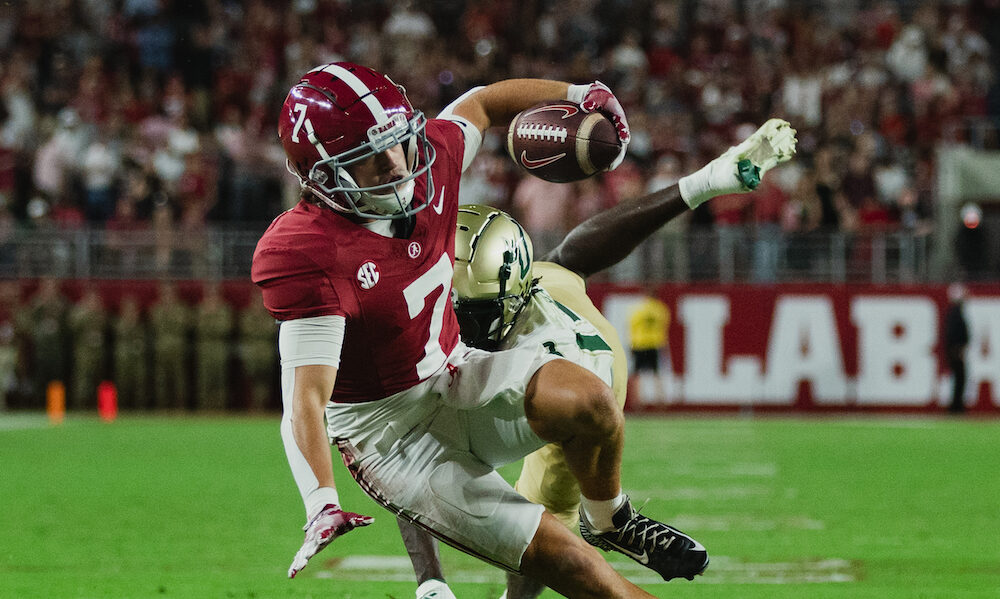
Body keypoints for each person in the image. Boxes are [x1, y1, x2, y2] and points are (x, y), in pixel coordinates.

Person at [252, 63, 791, 598]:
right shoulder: (305, 252)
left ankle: (609, 519)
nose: (399, 164)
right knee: (582, 573)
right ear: (321, 174)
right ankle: (463, 575)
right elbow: (306, 400)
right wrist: (320, 501)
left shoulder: (435, 166)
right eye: (373, 159)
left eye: (399, 142)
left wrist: (580, 91)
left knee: (590, 400)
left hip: (455, 372)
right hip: (394, 436)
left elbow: (483, 101)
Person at [397, 118, 798, 599]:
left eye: (468, 312)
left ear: (508, 303)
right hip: (555, 354)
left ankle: (607, 517)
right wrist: (705, 182)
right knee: (397, 428)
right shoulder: (530, 279)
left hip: (587, 386)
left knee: (546, 542)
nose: (454, 324)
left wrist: (603, 510)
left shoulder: (552, 374)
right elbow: (576, 252)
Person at [627, 287, 671, 407]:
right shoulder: (661, 309)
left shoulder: (638, 309)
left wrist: (631, 344)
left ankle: (637, 401)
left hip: (639, 344)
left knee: (636, 374)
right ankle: (660, 400)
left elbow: (632, 327)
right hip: (655, 344)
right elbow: (664, 329)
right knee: (657, 373)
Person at [943, 283, 970, 414]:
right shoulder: (955, 312)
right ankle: (956, 407)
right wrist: (957, 349)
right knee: (960, 378)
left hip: (956, 350)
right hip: (956, 351)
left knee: (959, 378)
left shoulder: (956, 311)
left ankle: (957, 405)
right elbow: (953, 334)